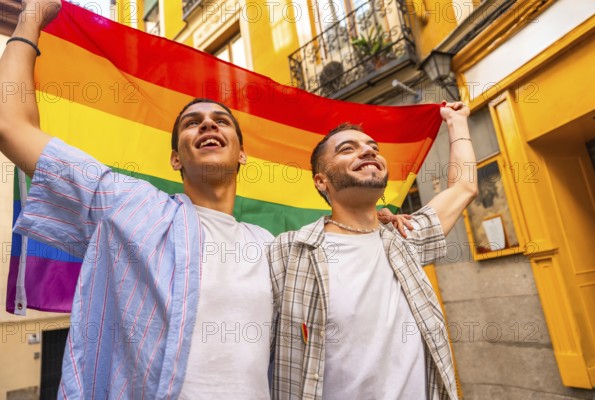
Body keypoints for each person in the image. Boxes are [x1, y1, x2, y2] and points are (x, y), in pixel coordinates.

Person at [0, 0, 412, 398]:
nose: (208, 124)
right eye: (192, 123)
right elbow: (12, 126)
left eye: (221, 121)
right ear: (177, 158)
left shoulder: (271, 248)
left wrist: (369, 224)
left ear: (242, 154)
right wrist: (31, 20)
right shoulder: (128, 205)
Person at [268, 103, 476, 400]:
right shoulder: (287, 253)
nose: (368, 152)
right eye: (347, 149)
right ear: (321, 180)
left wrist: (457, 122)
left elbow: (464, 187)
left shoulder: (404, 238)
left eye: (373, 148)